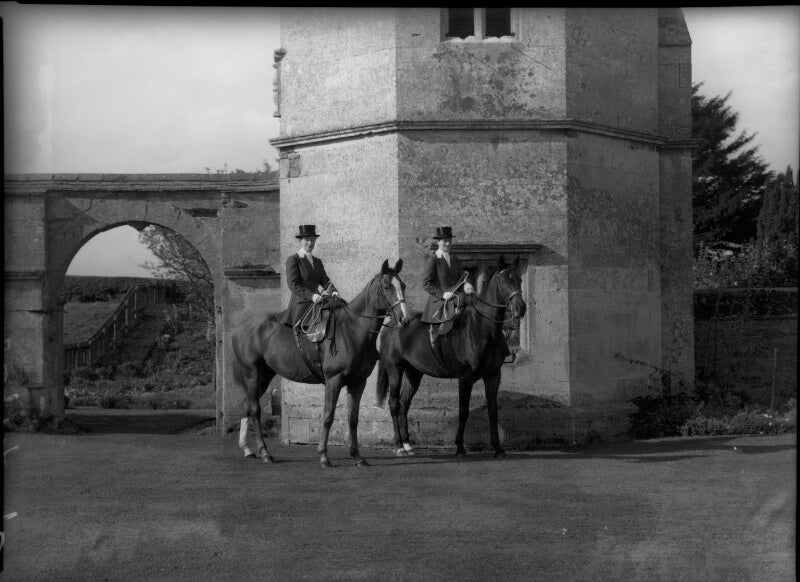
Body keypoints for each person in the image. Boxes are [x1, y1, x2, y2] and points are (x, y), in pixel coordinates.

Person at [279, 224, 340, 327]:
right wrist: (311, 296)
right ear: (300, 241)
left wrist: (333, 291)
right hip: (302, 302)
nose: (310, 243)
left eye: (312, 240)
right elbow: (293, 284)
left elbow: (325, 280)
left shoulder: (317, 261)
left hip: (318, 301)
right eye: (307, 240)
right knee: (301, 330)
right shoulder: (294, 259)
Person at [420, 226, 475, 325]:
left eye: (449, 240)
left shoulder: (454, 259)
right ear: (438, 242)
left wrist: (467, 284)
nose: (448, 243)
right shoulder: (433, 259)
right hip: (440, 302)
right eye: (444, 241)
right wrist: (443, 294)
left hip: (457, 298)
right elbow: (426, 284)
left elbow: (463, 276)